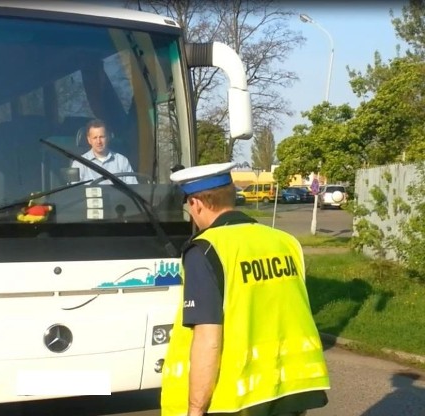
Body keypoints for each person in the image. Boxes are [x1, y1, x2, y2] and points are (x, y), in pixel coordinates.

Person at [161, 162, 330, 416]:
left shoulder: (206, 249)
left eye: (188, 205)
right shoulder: (285, 242)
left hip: (236, 400)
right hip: (290, 392)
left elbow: (208, 339)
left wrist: (195, 410)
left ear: (196, 203)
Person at [71, 119, 138, 184]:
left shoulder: (122, 161)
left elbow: (134, 188)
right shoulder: (79, 164)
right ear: (89, 140)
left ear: (108, 137)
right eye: (95, 138)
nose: (99, 141)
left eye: (102, 137)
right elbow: (74, 192)